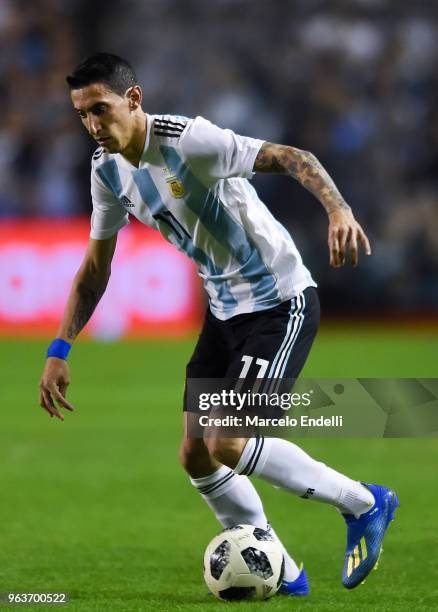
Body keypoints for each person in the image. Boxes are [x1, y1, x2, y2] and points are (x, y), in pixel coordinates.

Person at [39, 53, 398, 596]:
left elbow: (290, 155)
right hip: (224, 310)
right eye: (82, 114)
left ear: (133, 100)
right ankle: (282, 567)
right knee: (196, 452)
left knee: (228, 439)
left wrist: (339, 210)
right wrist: (60, 348)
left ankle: (365, 503)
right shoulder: (106, 170)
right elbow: (95, 267)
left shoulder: (189, 142)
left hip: (279, 303)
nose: (92, 125)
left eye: (101, 109)